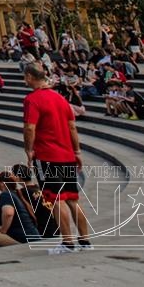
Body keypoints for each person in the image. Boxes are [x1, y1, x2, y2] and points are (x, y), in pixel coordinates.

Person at [22, 62, 91, 253]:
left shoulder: (32, 99)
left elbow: (30, 128)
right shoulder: (60, 98)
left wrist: (29, 150)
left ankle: (67, 242)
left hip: (47, 155)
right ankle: (85, 241)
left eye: (25, 77)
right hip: (66, 155)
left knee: (56, 199)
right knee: (72, 199)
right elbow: (72, 127)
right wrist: (76, 151)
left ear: (29, 76)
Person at [0, 169, 45, 247]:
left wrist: (3, 229)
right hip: (32, 236)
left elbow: (8, 213)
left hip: (22, 238)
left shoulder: (6, 195)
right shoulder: (18, 194)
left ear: (2, 184)